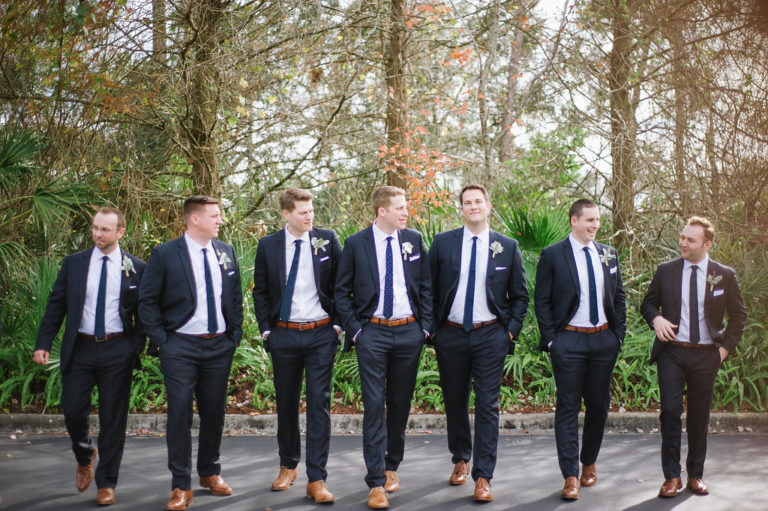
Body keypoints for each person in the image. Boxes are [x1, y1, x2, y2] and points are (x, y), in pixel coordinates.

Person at [34, 207, 146, 506]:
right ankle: (85, 454)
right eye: (95, 228)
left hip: (117, 349)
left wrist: (135, 346)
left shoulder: (136, 268)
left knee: (113, 419)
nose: (97, 234)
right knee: (72, 409)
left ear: (120, 232)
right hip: (80, 348)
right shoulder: (75, 264)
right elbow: (56, 305)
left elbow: (143, 313)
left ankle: (107, 482)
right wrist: (43, 342)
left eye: (105, 230)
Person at [139, 195, 243, 511]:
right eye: (214, 215)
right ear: (194, 219)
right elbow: (147, 301)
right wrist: (162, 341)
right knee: (180, 414)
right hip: (180, 346)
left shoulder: (226, 252)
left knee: (214, 412)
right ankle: (180, 485)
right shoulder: (166, 254)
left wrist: (233, 336)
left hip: (218, 346)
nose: (220, 220)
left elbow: (235, 296)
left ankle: (210, 473)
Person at [428, 184, 528, 503]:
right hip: (451, 334)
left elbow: (520, 296)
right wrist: (433, 331)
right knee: (455, 400)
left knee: (488, 404)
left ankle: (483, 476)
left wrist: (508, 332)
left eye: (478, 201)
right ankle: (461, 457)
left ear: (488, 205)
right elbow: (426, 289)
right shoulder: (443, 243)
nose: (473, 206)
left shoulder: (507, 246)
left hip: (490, 335)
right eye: (467, 202)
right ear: (461, 208)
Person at [334, 185, 433, 509]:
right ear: (382, 211)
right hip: (372, 334)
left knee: (400, 405)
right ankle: (375, 482)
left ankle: (392, 466)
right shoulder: (356, 243)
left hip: (408, 333)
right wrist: (357, 332)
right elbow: (341, 292)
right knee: (374, 406)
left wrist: (424, 328)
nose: (406, 212)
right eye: (400, 208)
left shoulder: (414, 240)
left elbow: (427, 286)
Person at [640, 216, 746, 498]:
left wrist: (723, 352)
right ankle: (671, 476)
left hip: (706, 356)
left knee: (700, 416)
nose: (683, 243)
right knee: (671, 413)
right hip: (672, 353)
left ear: (707, 244)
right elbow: (648, 304)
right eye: (682, 237)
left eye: (690, 239)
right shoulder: (666, 271)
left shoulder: (724, 274)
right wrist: (657, 320)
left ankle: (695, 475)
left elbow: (739, 317)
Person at [252, 187, 342, 502]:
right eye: (303, 212)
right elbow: (260, 292)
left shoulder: (328, 239)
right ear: (286, 214)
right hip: (284, 335)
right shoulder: (268, 246)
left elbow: (341, 284)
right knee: (286, 403)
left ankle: (316, 479)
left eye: (311, 210)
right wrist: (267, 331)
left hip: (320, 334)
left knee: (319, 405)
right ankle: (288, 465)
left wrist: (337, 325)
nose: (310, 216)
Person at [534, 198, 626, 500]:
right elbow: (542, 301)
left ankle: (589, 461)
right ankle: (570, 475)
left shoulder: (608, 254)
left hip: (602, 341)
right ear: (574, 221)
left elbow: (619, 298)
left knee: (599, 406)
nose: (595, 225)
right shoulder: (553, 255)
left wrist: (617, 337)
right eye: (589, 220)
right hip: (568, 341)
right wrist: (551, 340)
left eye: (597, 219)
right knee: (568, 407)